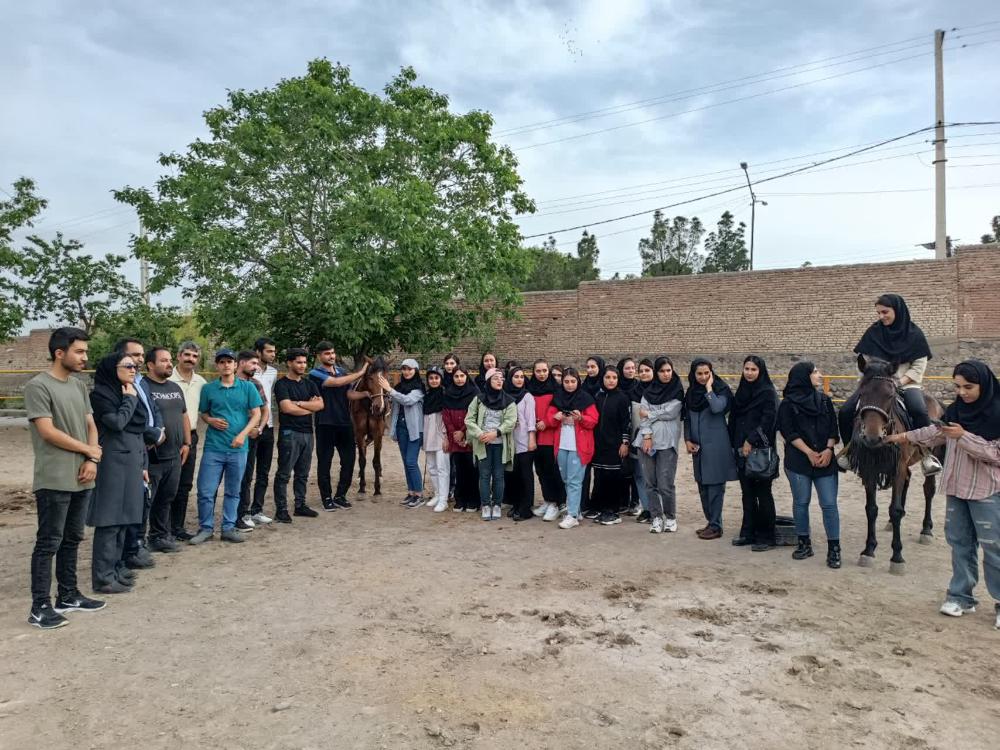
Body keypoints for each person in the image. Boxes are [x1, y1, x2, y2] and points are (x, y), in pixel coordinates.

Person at [886, 359, 1000, 629]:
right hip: (956, 489)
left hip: (987, 491)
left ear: (984, 385)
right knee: (960, 544)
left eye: (968, 387)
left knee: (994, 548)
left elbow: (995, 454)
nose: (962, 393)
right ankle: (961, 597)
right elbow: (936, 433)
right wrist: (901, 438)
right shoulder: (957, 411)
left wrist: (963, 437)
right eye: (957, 387)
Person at [25, 327, 105, 629]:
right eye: (80, 351)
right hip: (54, 477)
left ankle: (68, 595)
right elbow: (47, 431)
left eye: (85, 351)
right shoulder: (38, 386)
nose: (85, 356)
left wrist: (91, 458)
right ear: (60, 353)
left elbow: (90, 423)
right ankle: (40, 606)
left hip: (84, 473)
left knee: (73, 538)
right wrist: (89, 450)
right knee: (49, 542)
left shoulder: (78, 386)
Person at [840, 294, 941, 474]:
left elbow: (919, 366)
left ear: (898, 310)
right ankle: (849, 452)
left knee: (919, 410)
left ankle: (926, 453)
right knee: (846, 410)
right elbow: (863, 360)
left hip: (906, 383)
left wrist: (898, 382)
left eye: (885, 312)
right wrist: (869, 382)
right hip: (874, 385)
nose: (881, 316)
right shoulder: (873, 332)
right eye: (878, 312)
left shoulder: (914, 334)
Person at [88, 353, 149, 594]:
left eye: (135, 366)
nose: (134, 370)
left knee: (125, 519)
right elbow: (116, 422)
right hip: (113, 463)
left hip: (131, 462)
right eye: (128, 366)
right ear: (112, 368)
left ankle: (115, 570)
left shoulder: (127, 392)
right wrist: (130, 400)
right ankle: (102, 578)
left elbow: (140, 428)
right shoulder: (101, 395)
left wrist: (143, 463)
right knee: (110, 521)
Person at [190, 348, 263, 543]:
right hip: (214, 447)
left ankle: (228, 527)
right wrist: (210, 420)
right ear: (217, 365)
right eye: (221, 362)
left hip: (238, 448)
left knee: (233, 490)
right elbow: (203, 413)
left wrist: (243, 435)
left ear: (235, 364)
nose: (225, 365)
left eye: (229, 362)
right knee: (206, 490)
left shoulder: (247, 388)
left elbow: (256, 413)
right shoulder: (209, 389)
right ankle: (205, 528)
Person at [778, 362, 841, 568]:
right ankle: (804, 543)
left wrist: (828, 450)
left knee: (829, 504)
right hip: (799, 461)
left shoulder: (824, 401)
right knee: (801, 502)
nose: (819, 375)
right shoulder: (787, 404)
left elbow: (833, 429)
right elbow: (788, 432)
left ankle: (834, 549)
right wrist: (809, 452)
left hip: (825, 460)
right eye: (815, 372)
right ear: (804, 376)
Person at [115, 338, 164, 571]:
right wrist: (151, 434)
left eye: (142, 356)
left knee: (144, 498)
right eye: (135, 356)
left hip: (147, 448)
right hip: (132, 448)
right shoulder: (119, 387)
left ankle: (136, 544)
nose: (140, 360)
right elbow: (130, 422)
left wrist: (159, 431)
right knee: (131, 502)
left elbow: (154, 410)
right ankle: (128, 550)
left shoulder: (142, 382)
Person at [142, 347, 191, 553]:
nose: (169, 364)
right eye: (163, 361)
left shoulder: (174, 387)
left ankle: (159, 536)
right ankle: (137, 542)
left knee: (166, 498)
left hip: (175, 455)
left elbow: (184, 415)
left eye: (170, 360)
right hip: (154, 457)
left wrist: (187, 443)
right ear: (150, 365)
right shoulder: (143, 387)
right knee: (147, 501)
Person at [728, 356, 779, 551]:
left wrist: (751, 440)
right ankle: (748, 533)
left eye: (753, 369)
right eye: (746, 369)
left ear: (761, 371)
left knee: (763, 494)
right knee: (747, 494)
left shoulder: (767, 393)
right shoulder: (741, 391)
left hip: (759, 452)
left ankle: (767, 537)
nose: (749, 373)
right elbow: (734, 418)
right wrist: (734, 443)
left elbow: (769, 420)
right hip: (741, 450)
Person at [684, 358, 738, 540]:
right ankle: (711, 522)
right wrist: (687, 440)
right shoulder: (691, 393)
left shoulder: (720, 390)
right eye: (699, 373)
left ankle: (716, 525)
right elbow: (688, 419)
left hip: (716, 446)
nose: (703, 377)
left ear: (712, 373)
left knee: (715, 486)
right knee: (702, 485)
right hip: (698, 447)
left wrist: (709, 389)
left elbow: (716, 408)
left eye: (707, 373)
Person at [309, 342, 366, 512]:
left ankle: (340, 495)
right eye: (327, 353)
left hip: (344, 423)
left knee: (349, 461)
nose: (331, 356)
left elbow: (348, 393)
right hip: (325, 423)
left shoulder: (341, 371)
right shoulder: (315, 373)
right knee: (325, 462)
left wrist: (365, 394)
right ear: (319, 356)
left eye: (333, 352)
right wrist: (360, 373)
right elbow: (334, 383)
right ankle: (326, 498)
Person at [272, 348, 324, 521]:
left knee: (303, 473)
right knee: (284, 473)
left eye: (304, 362)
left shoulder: (309, 384)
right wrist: (309, 408)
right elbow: (286, 408)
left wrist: (299, 404)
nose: (302, 365)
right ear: (289, 363)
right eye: (298, 362)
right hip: (289, 433)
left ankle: (300, 505)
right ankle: (281, 510)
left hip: (308, 433)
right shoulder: (282, 384)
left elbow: (320, 405)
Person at [545, 367, 599, 529]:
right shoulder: (558, 397)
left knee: (575, 481)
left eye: (573, 381)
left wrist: (580, 418)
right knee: (566, 479)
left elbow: (594, 420)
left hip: (579, 446)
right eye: (566, 381)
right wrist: (556, 417)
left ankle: (573, 515)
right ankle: (574, 508)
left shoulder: (586, 399)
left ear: (578, 382)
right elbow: (549, 417)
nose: (569, 385)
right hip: (561, 445)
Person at [636, 357, 684, 534]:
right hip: (647, 444)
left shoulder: (677, 391)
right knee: (650, 483)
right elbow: (642, 418)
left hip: (667, 444)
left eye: (668, 370)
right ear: (657, 373)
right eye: (662, 371)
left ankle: (670, 517)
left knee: (665, 484)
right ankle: (656, 517)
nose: (665, 374)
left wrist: (649, 413)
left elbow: (671, 413)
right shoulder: (648, 392)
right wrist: (647, 436)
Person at [465, 368, 517, 520]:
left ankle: (497, 504)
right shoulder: (479, 399)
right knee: (484, 475)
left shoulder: (509, 401)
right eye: (495, 378)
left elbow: (511, 421)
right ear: (488, 381)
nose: (499, 381)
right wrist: (480, 434)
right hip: (483, 444)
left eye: (501, 378)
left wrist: (496, 433)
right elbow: (469, 419)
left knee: (499, 476)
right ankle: (486, 504)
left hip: (500, 444)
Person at [168, 341, 207, 540]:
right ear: (179, 356)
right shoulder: (168, 379)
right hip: (167, 437)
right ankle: (161, 530)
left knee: (184, 484)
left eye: (194, 356)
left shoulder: (201, 382)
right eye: (187, 355)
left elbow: (206, 410)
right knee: (167, 485)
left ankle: (177, 527)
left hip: (190, 436)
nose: (191, 359)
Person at [379, 360, 426, 507]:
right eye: (404, 369)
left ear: (416, 370)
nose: (407, 372)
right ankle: (411, 492)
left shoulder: (419, 388)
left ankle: (419, 494)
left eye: (410, 369)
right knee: (406, 462)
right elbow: (394, 405)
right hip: (401, 429)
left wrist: (389, 389)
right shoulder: (400, 387)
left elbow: (407, 400)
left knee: (411, 462)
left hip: (414, 430)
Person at [591, 366, 631, 526]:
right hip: (599, 445)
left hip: (615, 445)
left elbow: (626, 422)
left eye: (614, 377)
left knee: (612, 478)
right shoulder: (598, 396)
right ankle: (602, 509)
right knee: (600, 477)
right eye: (608, 377)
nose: (611, 381)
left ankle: (613, 511)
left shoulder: (622, 398)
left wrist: (625, 442)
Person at [236, 350, 270, 531]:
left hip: (252, 437)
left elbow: (265, 410)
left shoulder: (256, 384)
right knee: (239, 476)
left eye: (257, 364)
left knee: (252, 474)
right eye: (253, 364)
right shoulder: (229, 382)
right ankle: (239, 513)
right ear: (241, 363)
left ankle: (248, 511)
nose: (256, 368)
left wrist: (260, 428)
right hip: (232, 437)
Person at [529, 359, 566, 521]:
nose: (542, 374)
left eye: (544, 370)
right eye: (538, 371)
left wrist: (547, 422)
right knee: (540, 471)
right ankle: (547, 499)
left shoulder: (557, 390)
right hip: (534, 436)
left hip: (550, 436)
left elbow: (561, 412)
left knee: (551, 471)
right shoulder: (529, 389)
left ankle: (556, 503)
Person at [248, 337, 278, 524]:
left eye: (274, 351)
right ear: (258, 352)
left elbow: (268, 398)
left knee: (264, 471)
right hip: (250, 428)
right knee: (247, 471)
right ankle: (242, 511)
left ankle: (256, 509)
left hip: (268, 426)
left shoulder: (273, 372)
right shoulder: (248, 371)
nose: (273, 355)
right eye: (269, 351)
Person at [442, 366, 480, 512]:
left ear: (466, 377)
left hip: (469, 436)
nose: (459, 379)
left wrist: (463, 431)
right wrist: (454, 433)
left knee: (471, 468)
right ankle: (460, 499)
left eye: (462, 376)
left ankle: (473, 500)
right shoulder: (448, 393)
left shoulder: (475, 393)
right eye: (456, 376)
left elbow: (475, 415)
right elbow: (445, 415)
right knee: (459, 469)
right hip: (455, 438)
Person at [504, 365, 537, 521]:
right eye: (515, 377)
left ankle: (526, 507)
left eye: (521, 377)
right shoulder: (504, 395)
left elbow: (531, 420)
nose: (519, 380)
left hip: (524, 441)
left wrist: (531, 439)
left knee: (526, 475)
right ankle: (516, 504)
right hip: (510, 442)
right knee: (514, 475)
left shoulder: (527, 396)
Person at [421, 366, 451, 512]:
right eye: (431, 378)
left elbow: (447, 418)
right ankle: (437, 494)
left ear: (441, 379)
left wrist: (446, 437)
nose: (433, 381)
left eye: (436, 378)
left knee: (442, 468)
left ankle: (444, 499)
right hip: (428, 435)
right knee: (432, 467)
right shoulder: (426, 396)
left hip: (441, 436)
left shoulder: (445, 395)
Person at [631, 358, 655, 522]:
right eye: (641, 371)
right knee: (639, 475)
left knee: (654, 476)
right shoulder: (633, 391)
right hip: (636, 438)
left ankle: (656, 509)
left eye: (647, 370)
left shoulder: (659, 391)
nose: (644, 373)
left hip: (654, 439)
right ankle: (646, 508)